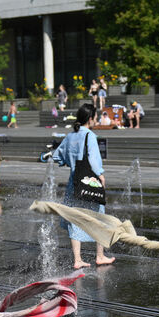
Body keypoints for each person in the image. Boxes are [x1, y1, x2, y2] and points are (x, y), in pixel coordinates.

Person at [52, 103, 114, 268]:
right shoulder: (90, 136)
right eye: (95, 117)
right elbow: (94, 161)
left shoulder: (71, 136)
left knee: (75, 218)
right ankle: (100, 256)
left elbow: (58, 156)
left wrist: (69, 162)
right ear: (90, 118)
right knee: (98, 218)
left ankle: (77, 259)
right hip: (90, 182)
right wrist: (100, 175)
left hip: (74, 183)